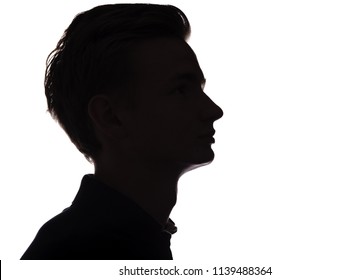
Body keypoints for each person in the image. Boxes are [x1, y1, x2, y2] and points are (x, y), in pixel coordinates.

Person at [21, 3, 223, 260]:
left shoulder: (119, 240)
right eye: (180, 90)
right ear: (110, 116)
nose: (213, 110)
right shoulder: (82, 251)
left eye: (200, 90)